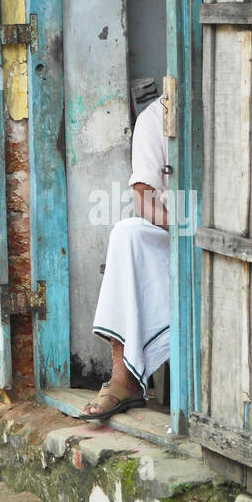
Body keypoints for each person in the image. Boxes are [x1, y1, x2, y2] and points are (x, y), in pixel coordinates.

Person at [79, 95, 170, 421]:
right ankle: (124, 380)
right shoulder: (156, 117)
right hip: (175, 235)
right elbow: (144, 199)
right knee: (126, 234)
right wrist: (184, 226)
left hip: (234, 232)